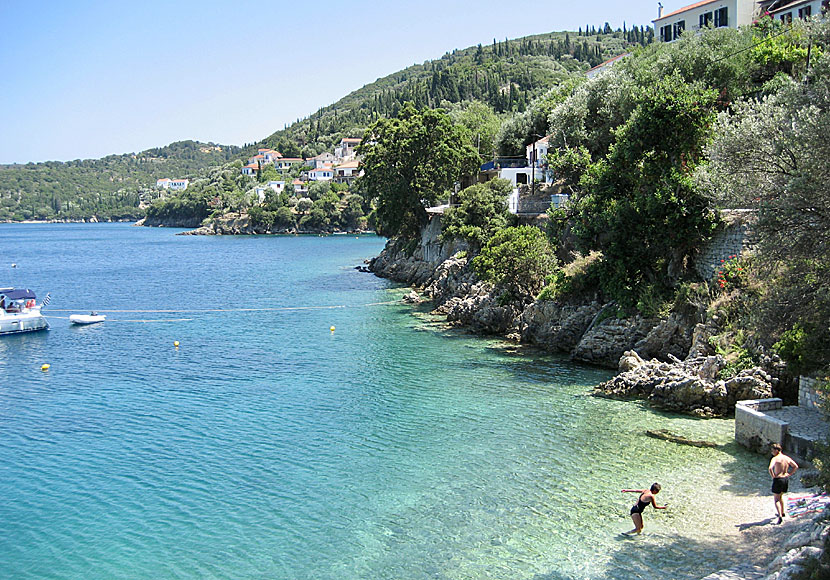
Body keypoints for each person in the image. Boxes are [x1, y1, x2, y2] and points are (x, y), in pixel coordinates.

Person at [769, 443, 798, 524]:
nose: (771, 452)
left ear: (776, 450)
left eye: (772, 451)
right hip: (785, 479)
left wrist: (773, 476)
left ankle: (780, 516)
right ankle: (782, 512)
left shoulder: (775, 458)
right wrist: (790, 474)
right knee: (781, 496)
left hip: (778, 479)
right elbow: (795, 466)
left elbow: (770, 468)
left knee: (776, 499)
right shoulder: (786, 458)